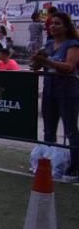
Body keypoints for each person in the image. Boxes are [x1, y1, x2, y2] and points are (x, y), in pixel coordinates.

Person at [30, 11, 79, 182]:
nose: (53, 26)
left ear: (66, 27)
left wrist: (47, 61)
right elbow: (36, 67)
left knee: (70, 130)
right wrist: (36, 61)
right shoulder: (49, 44)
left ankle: (74, 169)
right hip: (49, 91)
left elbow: (69, 67)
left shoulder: (73, 44)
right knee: (48, 130)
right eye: (51, 24)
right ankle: (48, 165)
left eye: (57, 23)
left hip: (67, 92)